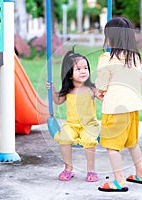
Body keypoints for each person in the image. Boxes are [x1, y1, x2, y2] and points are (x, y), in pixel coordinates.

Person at [95, 17, 142, 192]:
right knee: (132, 143)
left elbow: (102, 84)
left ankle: (119, 181)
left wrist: (99, 92)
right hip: (133, 108)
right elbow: (137, 80)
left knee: (112, 147)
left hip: (115, 108)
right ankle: (140, 174)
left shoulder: (106, 58)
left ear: (110, 37)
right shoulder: (135, 58)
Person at [46, 48, 99, 182]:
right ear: (69, 74)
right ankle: (68, 168)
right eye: (78, 69)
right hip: (71, 125)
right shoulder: (68, 91)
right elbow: (58, 101)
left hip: (89, 125)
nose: (83, 71)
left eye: (85, 68)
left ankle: (91, 171)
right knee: (64, 138)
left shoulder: (92, 89)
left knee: (89, 141)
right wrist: (52, 91)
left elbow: (103, 97)